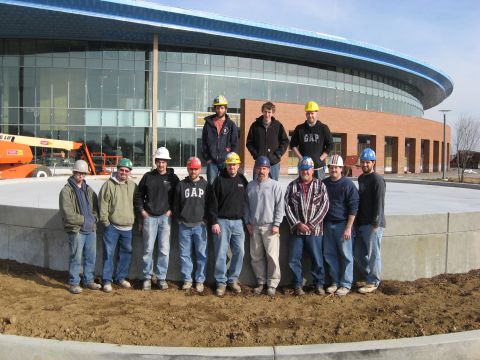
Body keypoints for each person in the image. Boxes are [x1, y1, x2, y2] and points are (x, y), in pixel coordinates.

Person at [134, 147, 179, 291]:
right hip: (150, 218)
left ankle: (161, 278)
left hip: (165, 218)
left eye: (163, 162)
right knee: (148, 249)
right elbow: (138, 195)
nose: (161, 164)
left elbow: (178, 197)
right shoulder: (148, 177)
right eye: (159, 161)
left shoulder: (173, 178)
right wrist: (142, 211)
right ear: (156, 162)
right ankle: (147, 278)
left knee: (164, 249)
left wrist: (172, 210)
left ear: (167, 163)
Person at [285, 156, 329, 296]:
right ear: (299, 170)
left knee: (317, 259)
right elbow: (287, 207)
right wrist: (298, 224)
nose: (306, 172)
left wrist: (311, 224)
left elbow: (325, 206)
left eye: (308, 169)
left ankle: (318, 284)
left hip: (315, 231)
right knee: (294, 259)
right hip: (297, 231)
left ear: (312, 170)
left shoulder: (320, 185)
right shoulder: (292, 186)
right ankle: (297, 284)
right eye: (303, 169)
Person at [207, 152, 248, 297]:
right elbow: (212, 203)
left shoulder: (242, 179)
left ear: (238, 165)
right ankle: (221, 282)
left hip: (238, 222)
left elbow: (246, 202)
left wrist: (245, 220)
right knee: (221, 253)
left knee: (240, 252)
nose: (232, 167)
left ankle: (233, 279)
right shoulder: (219, 180)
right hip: (222, 222)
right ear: (226, 165)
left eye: (235, 164)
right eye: (230, 164)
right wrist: (214, 221)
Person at [59, 160, 100, 294]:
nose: (81, 176)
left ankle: (88, 281)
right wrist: (84, 220)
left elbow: (96, 208)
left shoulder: (88, 190)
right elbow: (67, 213)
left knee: (90, 257)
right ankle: (74, 283)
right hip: (77, 230)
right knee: (75, 257)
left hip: (90, 230)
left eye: (83, 174)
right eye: (79, 173)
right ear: (74, 172)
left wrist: (94, 219)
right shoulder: (66, 191)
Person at [245, 156, 284, 297]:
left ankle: (272, 284)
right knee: (256, 256)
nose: (262, 171)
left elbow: (280, 206)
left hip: (270, 227)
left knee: (272, 256)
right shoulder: (250, 186)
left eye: (264, 168)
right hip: (254, 226)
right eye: (259, 168)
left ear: (268, 169)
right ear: (256, 169)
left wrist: (277, 224)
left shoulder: (276, 185)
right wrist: (248, 222)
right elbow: (246, 206)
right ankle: (261, 282)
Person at [322, 155, 359, 297]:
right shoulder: (324, 183)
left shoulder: (348, 185)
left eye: (336, 167)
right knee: (329, 255)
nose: (333, 170)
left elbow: (354, 207)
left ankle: (345, 284)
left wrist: (349, 227)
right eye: (331, 167)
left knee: (346, 256)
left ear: (341, 169)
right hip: (327, 224)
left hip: (343, 225)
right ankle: (335, 282)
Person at [99, 158, 137, 293]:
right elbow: (103, 205)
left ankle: (120, 278)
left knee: (126, 254)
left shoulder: (132, 186)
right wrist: (106, 224)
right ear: (117, 170)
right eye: (122, 170)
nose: (124, 173)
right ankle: (107, 280)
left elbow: (136, 204)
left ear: (129, 172)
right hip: (112, 227)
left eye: (127, 171)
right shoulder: (108, 185)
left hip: (128, 228)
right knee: (108, 254)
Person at [173, 156, 209, 294]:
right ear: (188, 169)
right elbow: (175, 204)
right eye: (191, 169)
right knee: (185, 254)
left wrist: (206, 220)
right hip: (184, 226)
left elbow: (210, 204)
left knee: (201, 254)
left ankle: (200, 280)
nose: (193, 171)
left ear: (200, 169)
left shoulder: (206, 185)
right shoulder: (181, 185)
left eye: (196, 169)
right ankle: (187, 279)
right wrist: (179, 219)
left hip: (200, 226)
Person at [354, 148, 386, 294]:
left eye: (368, 162)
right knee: (358, 252)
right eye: (363, 162)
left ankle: (374, 281)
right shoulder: (361, 178)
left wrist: (376, 223)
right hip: (361, 224)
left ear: (373, 162)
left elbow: (379, 203)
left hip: (373, 225)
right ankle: (368, 277)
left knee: (373, 253)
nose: (365, 164)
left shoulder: (377, 180)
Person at [246, 101, 289, 180]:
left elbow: (285, 141)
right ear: (262, 111)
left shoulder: (278, 125)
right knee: (256, 186)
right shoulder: (255, 125)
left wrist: (277, 155)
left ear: (273, 113)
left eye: (269, 112)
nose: (267, 114)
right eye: (265, 112)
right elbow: (249, 143)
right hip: (259, 163)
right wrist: (256, 155)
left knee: (273, 187)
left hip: (274, 164)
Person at [290, 101, 333, 179]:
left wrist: (320, 158)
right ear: (306, 114)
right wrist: (301, 158)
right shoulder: (300, 129)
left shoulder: (323, 128)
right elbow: (293, 145)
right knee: (303, 189)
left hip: (318, 168)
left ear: (317, 113)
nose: (310, 116)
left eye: (312, 113)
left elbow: (331, 145)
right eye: (308, 113)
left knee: (319, 189)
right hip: (304, 167)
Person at [201, 95, 239, 184]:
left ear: (226, 109)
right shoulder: (208, 124)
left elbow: (235, 143)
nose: (220, 110)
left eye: (222, 108)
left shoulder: (231, 125)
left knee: (226, 185)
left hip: (226, 162)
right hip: (212, 162)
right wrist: (207, 158)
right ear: (215, 108)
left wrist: (232, 160)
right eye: (218, 108)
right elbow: (203, 143)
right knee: (212, 185)